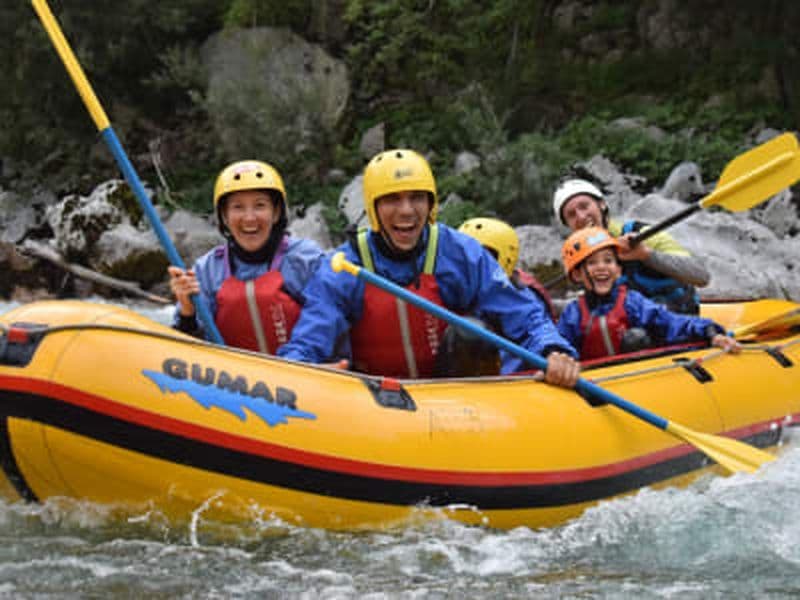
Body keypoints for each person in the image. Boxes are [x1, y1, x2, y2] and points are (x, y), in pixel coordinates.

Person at [278, 149, 580, 386]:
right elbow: (310, 338)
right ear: (373, 207)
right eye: (392, 199)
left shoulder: (460, 253)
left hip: (451, 394)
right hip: (373, 400)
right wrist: (297, 372)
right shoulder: (345, 266)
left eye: (416, 198)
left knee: (473, 332)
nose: (406, 211)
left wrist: (552, 350)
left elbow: (522, 313)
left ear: (431, 203)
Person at [168, 160, 324, 354]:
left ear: (276, 213)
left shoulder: (306, 259)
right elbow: (187, 349)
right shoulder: (207, 270)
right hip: (230, 372)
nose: (249, 218)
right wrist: (187, 311)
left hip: (302, 367)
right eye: (238, 207)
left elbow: (328, 320)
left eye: (259, 205)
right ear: (224, 216)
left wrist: (305, 361)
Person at [556, 227, 740, 361]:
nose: (602, 267)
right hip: (595, 381)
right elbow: (560, 346)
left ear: (618, 270)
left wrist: (709, 331)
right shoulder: (573, 313)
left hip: (637, 375)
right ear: (577, 274)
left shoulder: (632, 302)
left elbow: (672, 323)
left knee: (636, 337)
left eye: (608, 260)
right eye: (592, 263)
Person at [552, 179, 710, 314]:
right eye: (571, 215)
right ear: (569, 225)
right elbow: (589, 306)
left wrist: (646, 254)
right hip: (634, 330)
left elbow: (701, 276)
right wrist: (546, 302)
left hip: (679, 322)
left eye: (584, 206)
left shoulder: (641, 234)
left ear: (602, 204)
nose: (580, 216)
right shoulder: (581, 257)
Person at [458, 217, 557, 321]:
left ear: (506, 259)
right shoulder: (456, 285)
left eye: (482, 257)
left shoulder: (523, 298)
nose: (471, 263)